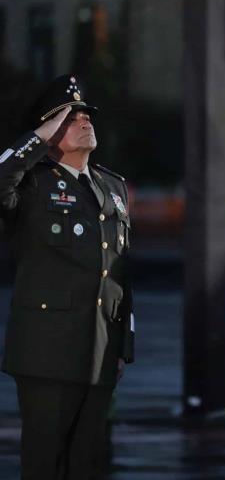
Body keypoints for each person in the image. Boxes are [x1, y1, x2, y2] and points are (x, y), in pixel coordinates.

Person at [0, 75, 134, 479]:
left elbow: (120, 269)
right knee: (45, 460)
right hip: (47, 348)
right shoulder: (33, 183)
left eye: (86, 115)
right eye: (69, 117)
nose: (83, 120)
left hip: (100, 348)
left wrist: (123, 343)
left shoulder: (112, 187)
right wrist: (37, 138)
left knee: (87, 463)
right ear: (48, 129)